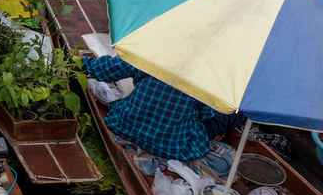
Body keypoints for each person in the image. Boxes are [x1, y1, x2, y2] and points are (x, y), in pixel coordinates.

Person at [83, 55, 246, 161]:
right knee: (236, 114)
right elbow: (205, 113)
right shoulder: (205, 74)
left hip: (126, 126)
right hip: (172, 146)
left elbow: (102, 69)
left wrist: (85, 62)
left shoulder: (149, 53)